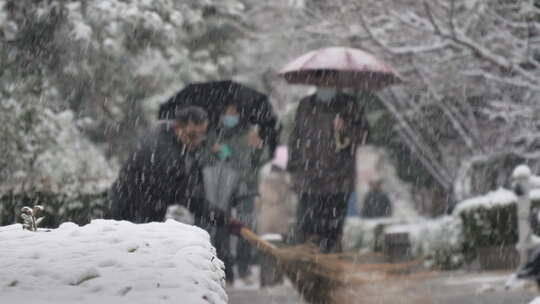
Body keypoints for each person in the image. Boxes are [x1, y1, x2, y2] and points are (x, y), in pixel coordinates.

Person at [109, 106, 243, 233]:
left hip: (144, 210)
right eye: (195, 135)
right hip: (132, 212)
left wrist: (223, 219)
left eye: (202, 135)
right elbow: (187, 195)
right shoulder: (164, 150)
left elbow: (188, 192)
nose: (198, 141)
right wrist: (223, 220)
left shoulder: (175, 141)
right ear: (183, 127)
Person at [288, 87, 370, 253]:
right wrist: (294, 169)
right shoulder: (305, 105)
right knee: (306, 231)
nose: (324, 84)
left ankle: (328, 267)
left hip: (338, 181)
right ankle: (308, 269)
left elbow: (365, 135)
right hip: (309, 180)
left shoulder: (349, 104)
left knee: (331, 232)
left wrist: (345, 129)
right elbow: (295, 138)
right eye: (320, 79)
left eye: (330, 80)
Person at [206, 102, 271, 284]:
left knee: (245, 226)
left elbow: (262, 159)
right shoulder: (214, 135)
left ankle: (244, 269)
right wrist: (213, 152)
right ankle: (224, 269)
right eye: (227, 112)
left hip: (246, 187)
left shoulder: (248, 134)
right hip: (222, 187)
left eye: (234, 112)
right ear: (220, 115)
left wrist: (259, 147)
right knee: (221, 228)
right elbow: (203, 159)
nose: (230, 116)